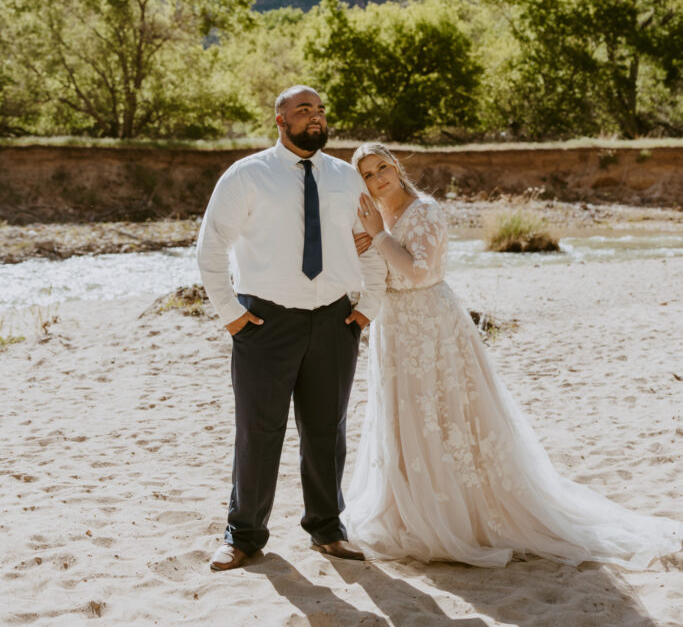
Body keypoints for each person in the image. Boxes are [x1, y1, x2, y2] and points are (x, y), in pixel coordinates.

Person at [344, 142, 683, 568]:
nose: (377, 180)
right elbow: (372, 270)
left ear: (396, 166)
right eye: (368, 175)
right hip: (392, 328)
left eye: (382, 169)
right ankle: (409, 507)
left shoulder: (423, 210)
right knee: (403, 414)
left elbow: (418, 271)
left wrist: (377, 235)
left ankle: (461, 513)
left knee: (446, 411)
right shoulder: (372, 214)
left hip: (431, 325)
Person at [197, 86, 386, 570]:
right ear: (280, 119)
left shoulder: (346, 178)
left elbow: (369, 242)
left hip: (334, 321)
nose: (316, 117)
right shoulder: (247, 175)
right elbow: (211, 246)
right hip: (265, 323)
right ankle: (243, 535)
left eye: (321, 110)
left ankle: (327, 530)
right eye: (304, 110)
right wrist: (232, 316)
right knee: (258, 432)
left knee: (327, 431)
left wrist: (368, 307)